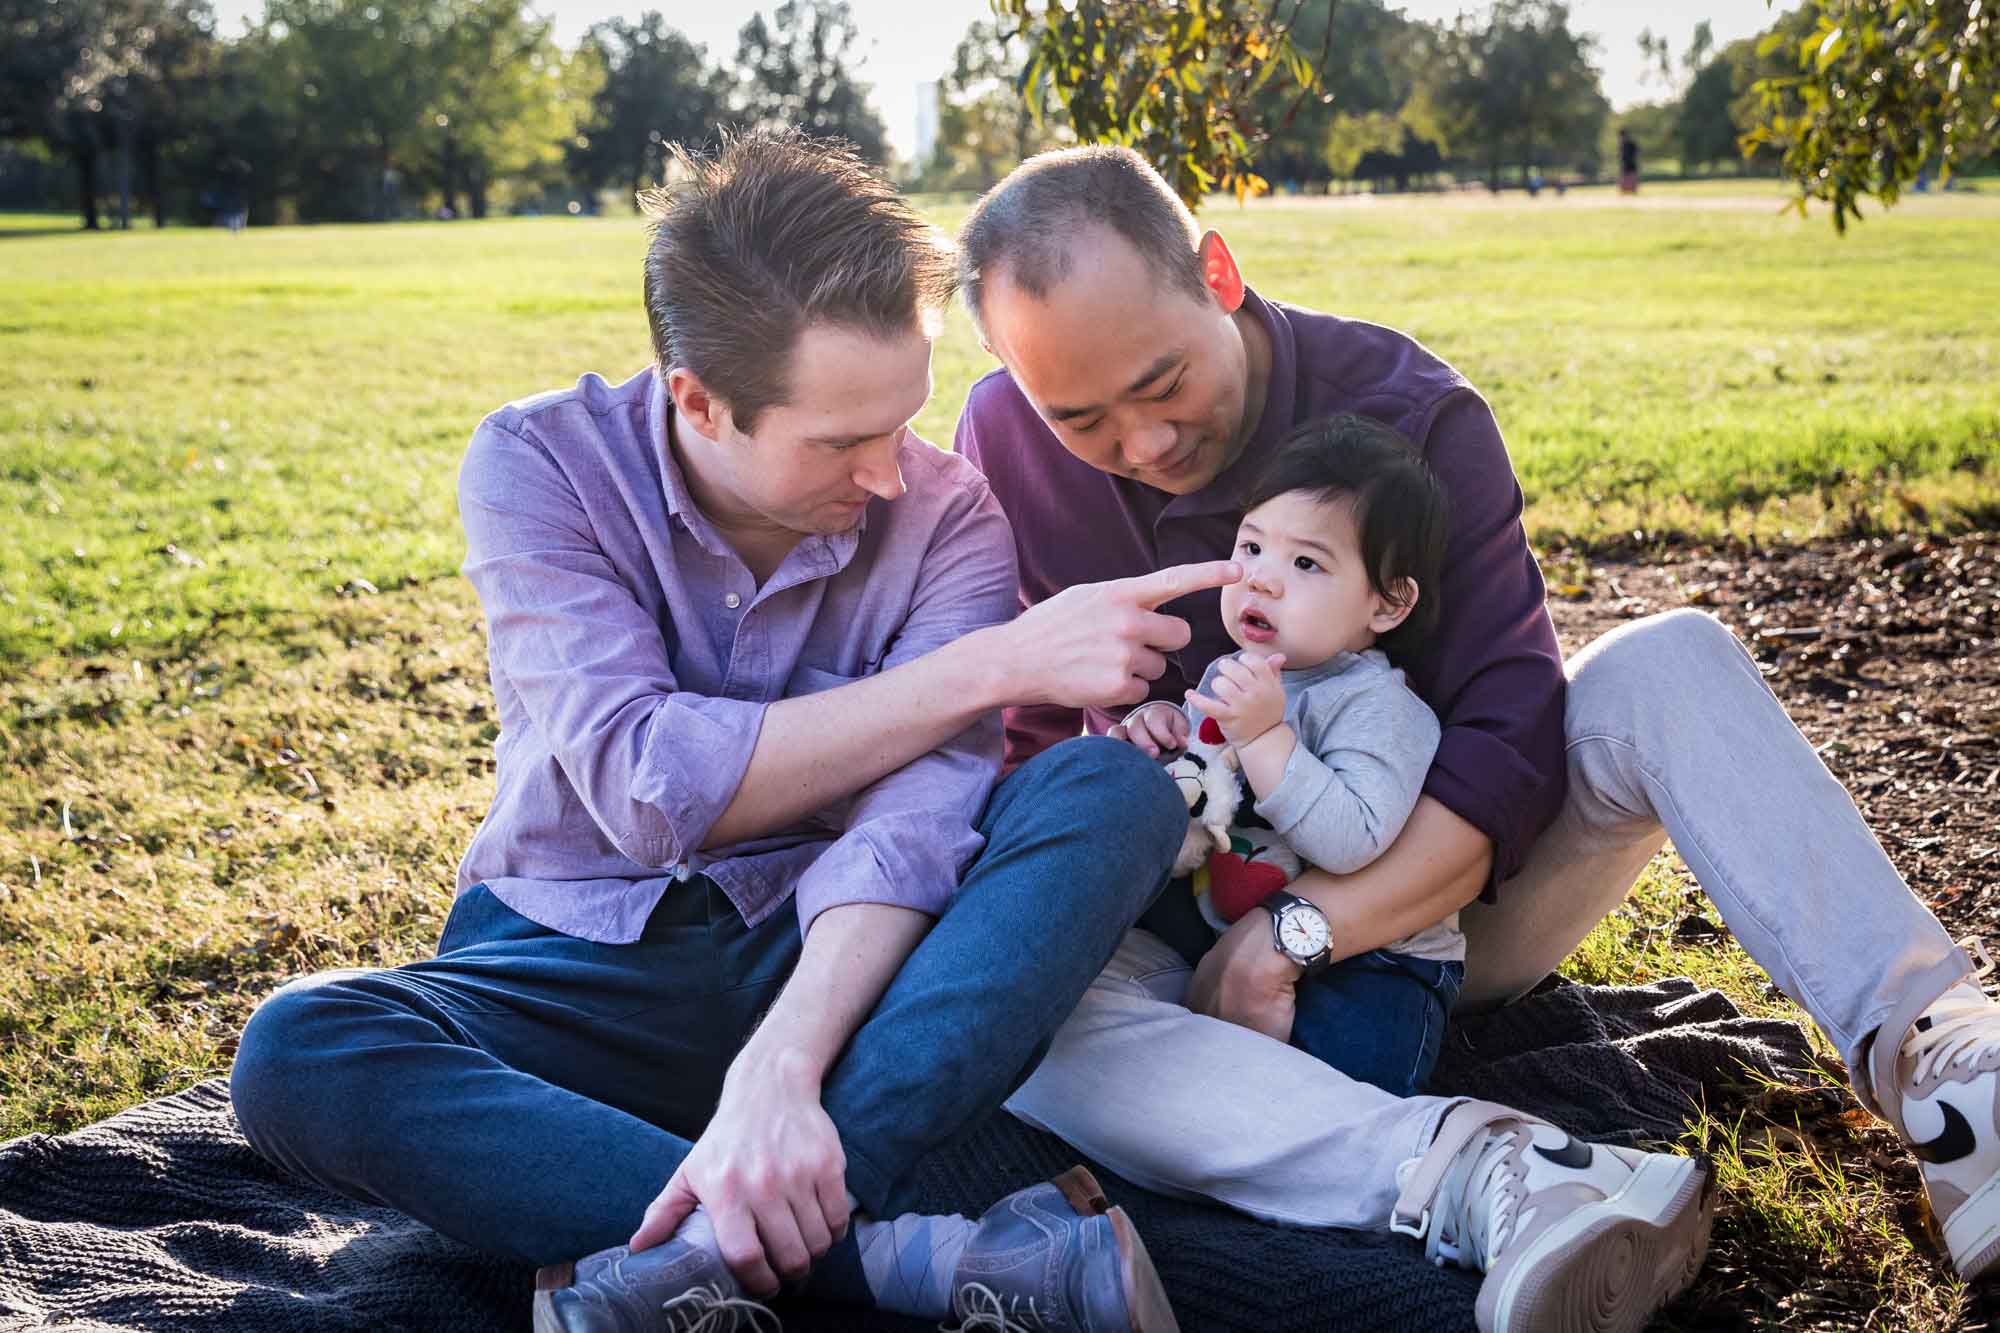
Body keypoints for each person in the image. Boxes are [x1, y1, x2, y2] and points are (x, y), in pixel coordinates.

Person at [951, 144, 2000, 1331]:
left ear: (1218, 273)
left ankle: (1941, 1063)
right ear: (1009, 381)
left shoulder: (1411, 413)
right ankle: (1494, 1176)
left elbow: (1506, 752)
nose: (1140, 445)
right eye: (1078, 417)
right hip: (1178, 924)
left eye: (1162, 383)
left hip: (1429, 909)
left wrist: (1298, 934)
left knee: (1668, 664)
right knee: (1013, 1006)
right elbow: (1004, 758)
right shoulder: (997, 441)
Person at [227, 131, 1226, 1333]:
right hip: (571, 953)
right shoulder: (538, 463)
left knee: (1105, 794)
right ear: (697, 398)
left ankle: (694, 1239)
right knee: (300, 1047)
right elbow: (645, 786)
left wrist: (783, 1065)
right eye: (840, 441)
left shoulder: (948, 507)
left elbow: (914, 820)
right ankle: (895, 1258)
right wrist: (986, 665)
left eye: (900, 421)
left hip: (835, 961)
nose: (891, 474)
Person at [1112, 416, 1464, 1098]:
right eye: (1252, 547)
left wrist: (1268, 738)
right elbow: (1199, 790)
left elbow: (1350, 843)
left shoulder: (1381, 707)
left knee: (1347, 1070)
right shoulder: (1229, 673)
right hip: (1226, 910)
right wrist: (1155, 731)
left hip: (1371, 956)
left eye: (1306, 562)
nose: (1262, 581)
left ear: (1387, 605)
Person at [1618, 130, 1640, 195]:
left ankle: (1633, 191)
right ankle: (1623, 192)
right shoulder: (1622, 145)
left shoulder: (1631, 143)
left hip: (1631, 164)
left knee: (1632, 178)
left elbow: (1637, 152)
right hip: (1625, 164)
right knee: (1624, 179)